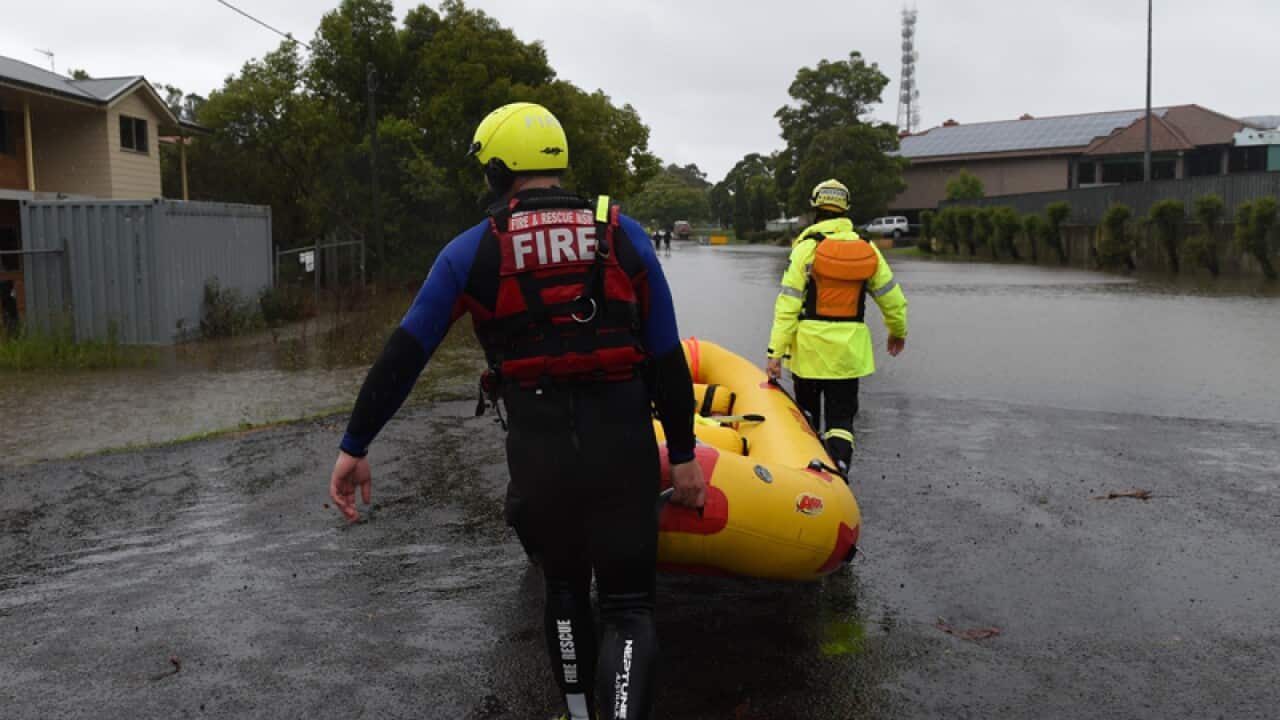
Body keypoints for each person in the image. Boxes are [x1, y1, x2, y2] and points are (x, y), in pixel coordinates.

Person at [328, 102, 705, 720]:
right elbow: (666, 355)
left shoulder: (469, 253)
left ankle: (581, 713)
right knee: (629, 606)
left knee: (564, 588)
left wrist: (355, 444)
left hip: (541, 451)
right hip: (623, 443)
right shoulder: (624, 234)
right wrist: (684, 456)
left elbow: (405, 354)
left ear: (496, 171)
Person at [764, 178, 908, 475]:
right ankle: (839, 470)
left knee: (807, 417)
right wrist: (897, 331)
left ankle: (809, 476)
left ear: (816, 208)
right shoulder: (867, 249)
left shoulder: (807, 249)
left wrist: (774, 353)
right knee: (841, 419)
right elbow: (892, 297)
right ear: (846, 210)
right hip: (847, 354)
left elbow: (788, 304)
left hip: (809, 352)